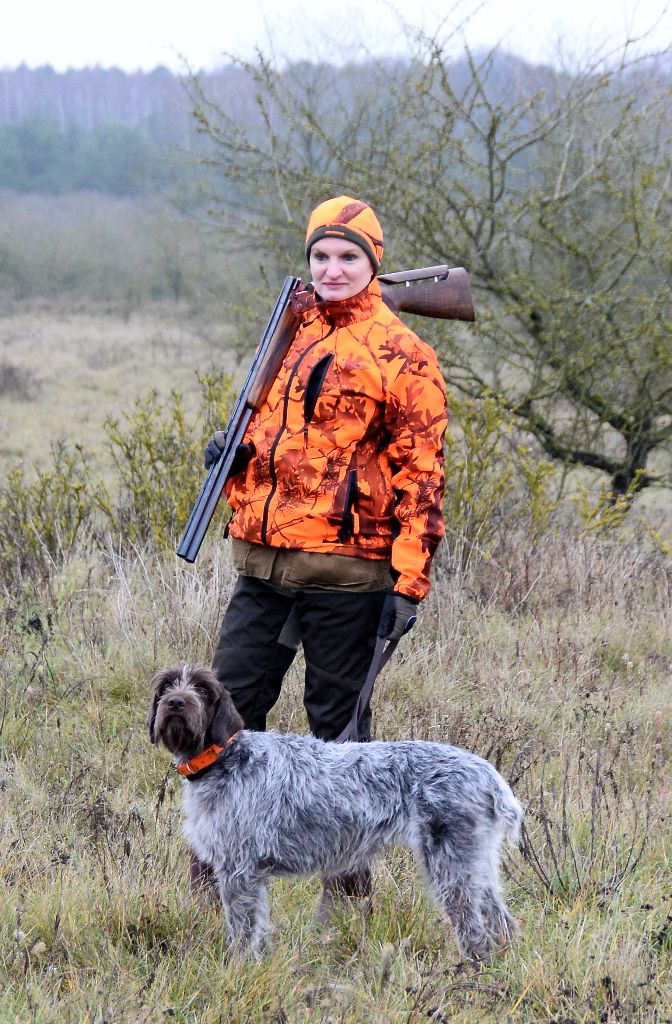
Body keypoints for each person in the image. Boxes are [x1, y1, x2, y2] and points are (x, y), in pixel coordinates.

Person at [202, 196, 448, 913]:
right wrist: (234, 460)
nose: (332, 269)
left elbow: (422, 478)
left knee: (339, 739)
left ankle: (347, 897)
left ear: (375, 264)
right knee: (227, 715)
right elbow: (281, 448)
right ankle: (217, 879)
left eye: (348, 257)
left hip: (349, 576)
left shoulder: (403, 353)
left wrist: (408, 583)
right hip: (264, 566)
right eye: (321, 256)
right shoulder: (293, 332)